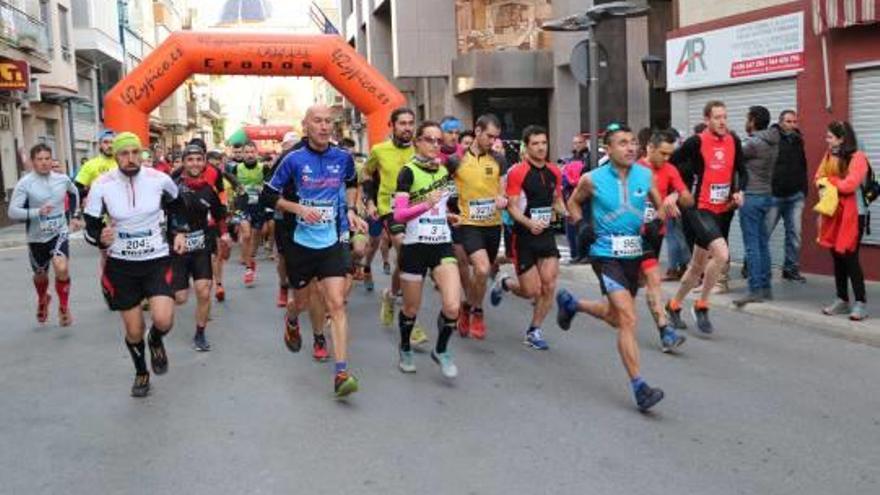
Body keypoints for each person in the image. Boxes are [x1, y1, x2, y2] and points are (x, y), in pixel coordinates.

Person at [555, 123, 667, 412]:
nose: (630, 147)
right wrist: (580, 224)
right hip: (605, 254)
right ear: (607, 149)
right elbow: (572, 204)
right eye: (622, 143)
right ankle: (640, 387)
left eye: (632, 142)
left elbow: (660, 206)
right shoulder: (592, 179)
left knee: (615, 317)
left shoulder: (646, 174)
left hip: (634, 253)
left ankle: (572, 304)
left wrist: (657, 223)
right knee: (628, 318)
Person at [263, 104, 368, 397]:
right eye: (317, 122)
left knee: (336, 302)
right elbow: (268, 195)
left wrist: (348, 209)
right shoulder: (292, 159)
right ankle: (292, 318)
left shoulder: (343, 157)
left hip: (331, 239)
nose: (324, 127)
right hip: (300, 242)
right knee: (304, 302)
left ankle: (341, 372)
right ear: (306, 125)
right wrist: (298, 208)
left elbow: (351, 183)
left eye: (328, 122)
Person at [82, 132, 187, 398]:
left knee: (163, 320)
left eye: (134, 152)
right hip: (122, 265)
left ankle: (156, 339)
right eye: (124, 154)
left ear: (141, 153)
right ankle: (141, 372)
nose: (130, 159)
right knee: (133, 329)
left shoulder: (159, 179)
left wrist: (179, 232)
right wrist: (99, 239)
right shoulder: (102, 185)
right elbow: (90, 228)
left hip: (156, 258)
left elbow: (178, 206)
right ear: (115, 156)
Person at [665, 100, 745, 334]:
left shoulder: (733, 141)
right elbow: (671, 165)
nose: (722, 122)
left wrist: (740, 191)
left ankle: (674, 304)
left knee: (697, 266)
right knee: (721, 254)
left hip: (722, 209)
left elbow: (742, 169)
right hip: (699, 208)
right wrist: (674, 192)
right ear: (707, 120)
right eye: (717, 117)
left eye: (725, 117)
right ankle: (702, 305)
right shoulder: (696, 142)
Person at [392, 120, 462, 377]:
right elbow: (399, 215)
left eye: (438, 141)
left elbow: (441, 207)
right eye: (429, 140)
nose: (435, 145)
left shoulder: (443, 172)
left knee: (453, 306)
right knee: (411, 308)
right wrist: (424, 203)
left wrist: (448, 216)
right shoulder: (407, 172)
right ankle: (405, 346)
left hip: (441, 243)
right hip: (414, 247)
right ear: (418, 142)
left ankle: (441, 350)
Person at [490, 125, 564, 350]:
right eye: (535, 144)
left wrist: (568, 213)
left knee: (549, 285)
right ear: (526, 146)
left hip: (547, 235)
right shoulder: (517, 172)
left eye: (544, 143)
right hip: (524, 236)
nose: (541, 147)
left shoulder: (555, 171)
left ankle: (534, 330)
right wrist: (529, 223)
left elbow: (557, 200)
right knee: (531, 290)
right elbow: (511, 208)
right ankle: (505, 283)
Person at [362, 107, 430, 347]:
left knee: (406, 261)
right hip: (390, 209)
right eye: (402, 123)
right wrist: (369, 201)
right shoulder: (379, 150)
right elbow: (367, 174)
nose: (407, 128)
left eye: (411, 123)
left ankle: (390, 296)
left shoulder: (421, 150)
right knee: (405, 250)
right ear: (392, 126)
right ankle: (411, 319)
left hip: (419, 210)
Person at [446, 114, 508, 340]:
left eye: (495, 137)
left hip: (493, 224)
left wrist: (503, 199)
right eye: (489, 136)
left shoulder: (499, 160)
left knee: (484, 272)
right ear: (477, 131)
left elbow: (503, 190)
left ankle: (466, 306)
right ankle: (478, 311)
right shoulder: (455, 160)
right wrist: (446, 212)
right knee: (480, 269)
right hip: (468, 224)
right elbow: (442, 189)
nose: (492, 141)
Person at [7, 143, 81, 326]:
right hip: (36, 237)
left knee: (61, 267)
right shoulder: (25, 183)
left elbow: (74, 193)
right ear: (33, 162)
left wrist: (75, 215)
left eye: (47, 158)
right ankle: (43, 298)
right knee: (41, 274)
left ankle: (64, 307)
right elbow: (12, 212)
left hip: (59, 232)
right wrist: (36, 212)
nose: (44, 163)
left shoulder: (62, 179)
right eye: (39, 159)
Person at [635, 130, 692, 352]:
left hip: (654, 234)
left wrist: (675, 196)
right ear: (650, 147)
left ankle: (664, 331)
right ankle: (665, 330)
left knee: (648, 281)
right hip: (629, 235)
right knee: (645, 283)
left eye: (670, 154)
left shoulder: (670, 170)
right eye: (663, 153)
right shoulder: (634, 168)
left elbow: (688, 200)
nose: (667, 159)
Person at [171, 144, 229, 351]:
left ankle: (200, 333)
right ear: (184, 162)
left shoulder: (208, 189)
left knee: (204, 292)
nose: (195, 163)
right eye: (190, 159)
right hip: (177, 248)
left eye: (199, 159)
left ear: (204, 162)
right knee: (180, 298)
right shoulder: (172, 186)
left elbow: (219, 214)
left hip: (201, 244)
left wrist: (224, 234)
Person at [815, 121, 869, 321]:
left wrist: (830, 182)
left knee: (850, 257)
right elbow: (818, 177)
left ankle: (861, 303)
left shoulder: (858, 157)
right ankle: (842, 299)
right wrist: (829, 182)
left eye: (830, 137)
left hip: (854, 214)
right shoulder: (830, 154)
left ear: (842, 138)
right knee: (836, 256)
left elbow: (850, 185)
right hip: (833, 212)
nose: (826, 140)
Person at [733, 106, 780, 306]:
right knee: (761, 243)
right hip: (766, 195)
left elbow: (734, 155)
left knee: (752, 246)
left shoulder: (754, 143)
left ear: (752, 121)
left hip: (751, 196)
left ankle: (754, 289)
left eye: (747, 118)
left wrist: (732, 138)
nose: (746, 121)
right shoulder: (772, 140)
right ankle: (766, 287)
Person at [767, 110, 808, 283]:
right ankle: (752, 264)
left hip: (795, 196)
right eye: (789, 121)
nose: (792, 125)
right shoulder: (771, 138)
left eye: (794, 122)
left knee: (794, 234)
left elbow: (803, 165)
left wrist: (803, 190)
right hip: (774, 196)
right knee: (764, 232)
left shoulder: (798, 140)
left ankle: (790, 269)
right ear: (781, 122)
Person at [233, 141, 272, 287]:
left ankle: (251, 259)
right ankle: (248, 269)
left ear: (256, 153)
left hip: (258, 207)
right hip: (243, 207)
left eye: (252, 152)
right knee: (246, 235)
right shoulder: (236, 168)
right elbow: (232, 187)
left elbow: (270, 186)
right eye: (247, 152)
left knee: (257, 235)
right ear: (242, 154)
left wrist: (263, 189)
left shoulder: (264, 168)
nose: (249, 155)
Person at [74, 130, 116, 199]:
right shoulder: (90, 164)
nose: (110, 145)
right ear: (100, 145)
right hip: (99, 207)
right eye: (106, 142)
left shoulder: (122, 163)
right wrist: (86, 196)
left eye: (112, 142)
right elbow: (77, 189)